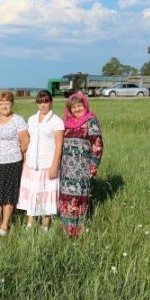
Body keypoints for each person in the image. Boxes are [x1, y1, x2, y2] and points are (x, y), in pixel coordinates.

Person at [17, 90, 64, 231]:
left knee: (46, 194)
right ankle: (30, 223)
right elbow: (29, 141)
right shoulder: (32, 119)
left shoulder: (57, 121)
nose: (43, 105)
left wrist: (54, 166)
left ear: (51, 103)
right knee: (32, 193)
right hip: (31, 163)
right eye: (40, 102)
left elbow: (59, 145)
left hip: (47, 164)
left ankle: (45, 225)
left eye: (46, 102)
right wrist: (25, 160)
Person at [59, 92, 103, 237]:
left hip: (82, 169)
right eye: (73, 107)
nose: (77, 109)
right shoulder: (66, 123)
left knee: (79, 200)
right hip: (66, 169)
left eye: (80, 106)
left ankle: (77, 232)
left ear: (85, 106)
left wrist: (93, 168)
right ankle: (65, 231)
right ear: (69, 109)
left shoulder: (91, 121)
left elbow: (97, 146)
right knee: (65, 199)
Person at [0, 90, 29, 237]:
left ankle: (5, 225)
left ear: (12, 103)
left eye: (7, 102)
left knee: (9, 194)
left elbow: (25, 142)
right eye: (1, 103)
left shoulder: (18, 119)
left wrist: (17, 155)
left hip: (12, 162)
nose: (4, 106)